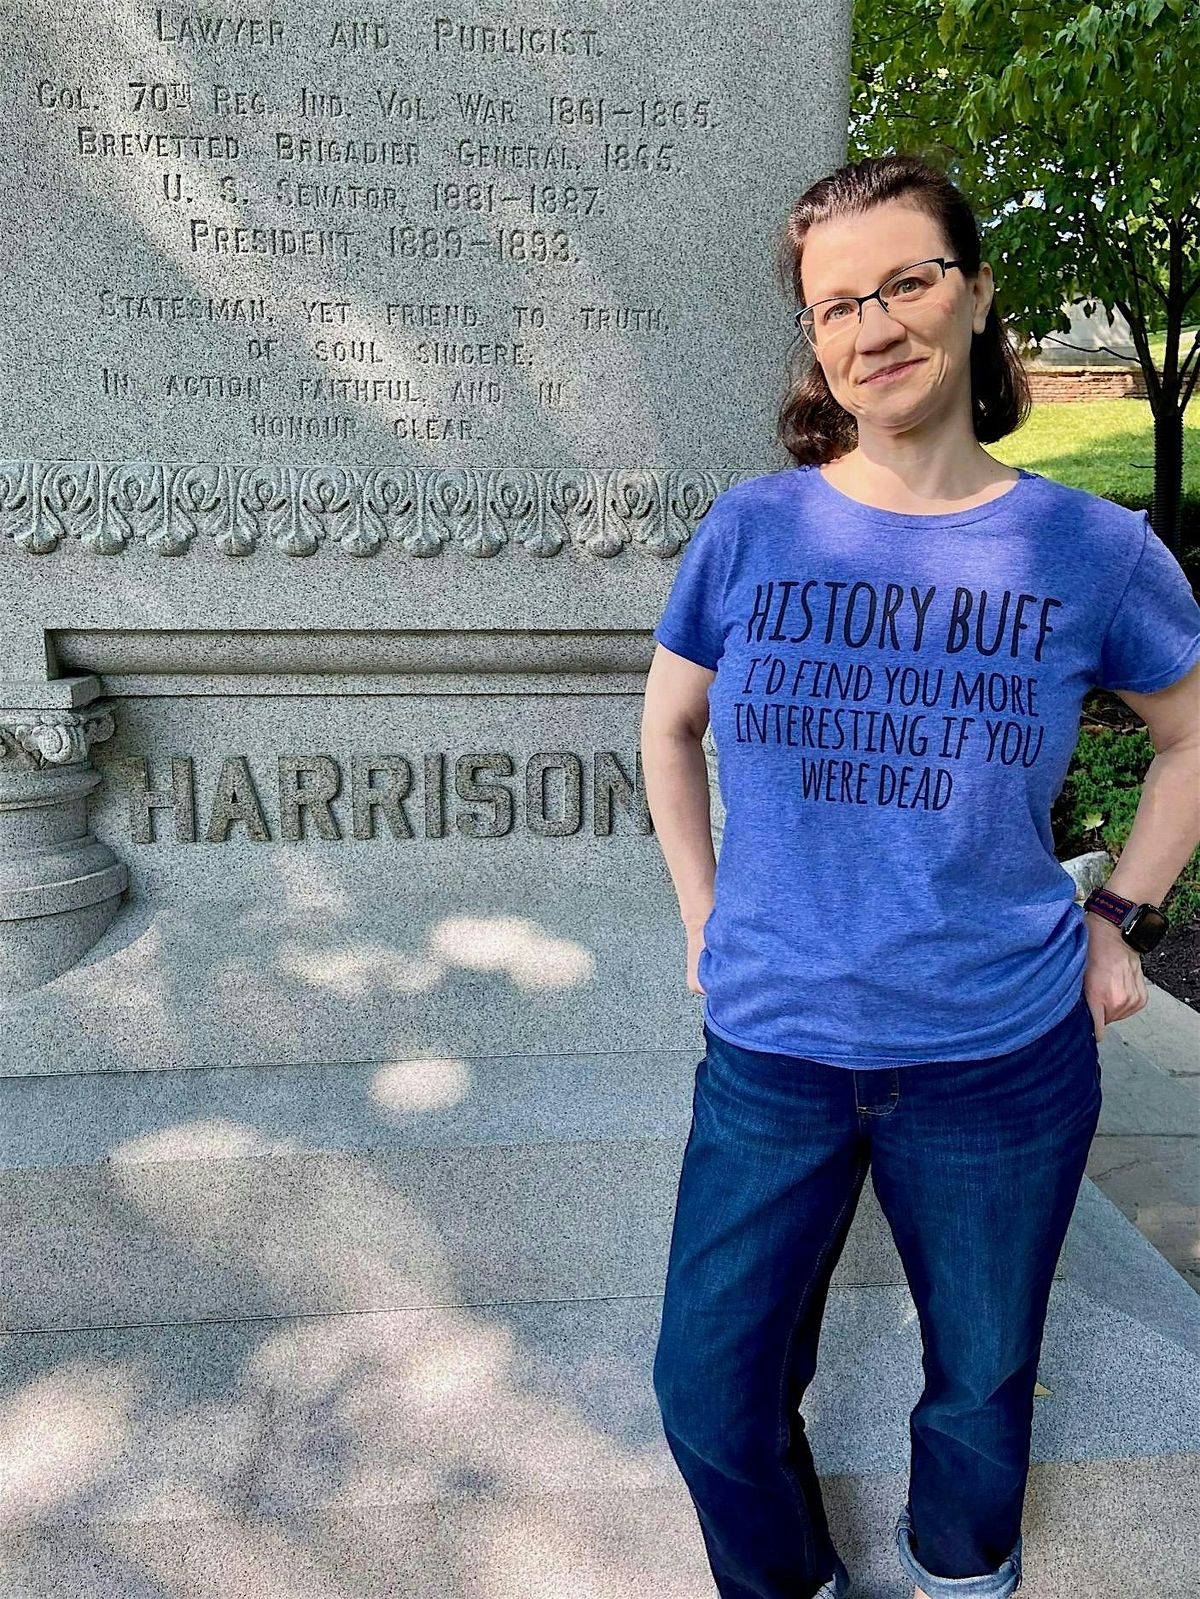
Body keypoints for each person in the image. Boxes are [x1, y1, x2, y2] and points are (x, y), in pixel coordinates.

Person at [640, 153, 1200, 1599]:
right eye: (838, 305)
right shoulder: (755, 528)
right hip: (773, 1047)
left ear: (976, 290)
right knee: (709, 1385)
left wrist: (1118, 914)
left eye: (906, 280)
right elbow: (669, 721)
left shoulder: (1091, 549)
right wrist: (703, 915)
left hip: (998, 1053)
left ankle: (962, 1572)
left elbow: (1192, 734)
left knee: (983, 1376)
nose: (873, 323)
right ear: (816, 342)